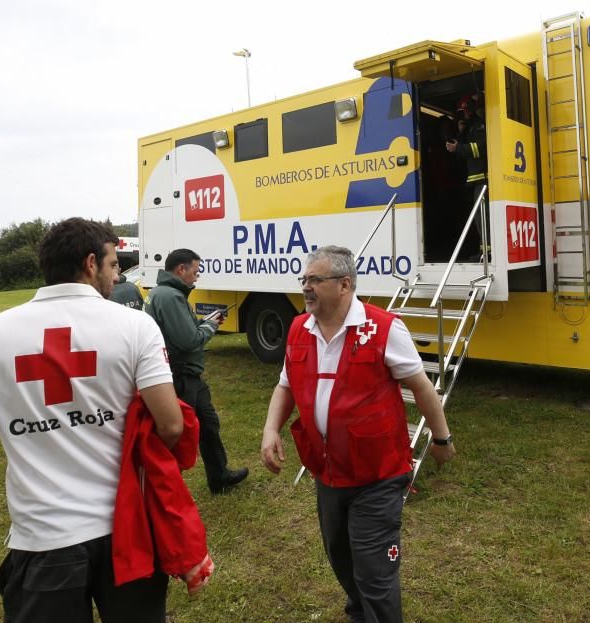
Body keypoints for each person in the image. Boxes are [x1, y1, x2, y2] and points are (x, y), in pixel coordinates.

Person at [0, 218, 185, 621]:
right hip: (128, 530)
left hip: (44, 541)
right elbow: (171, 425)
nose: (115, 274)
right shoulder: (135, 325)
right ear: (90, 263)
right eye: (111, 265)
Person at [261, 245, 456, 623]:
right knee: (341, 557)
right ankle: (359, 612)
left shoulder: (383, 328)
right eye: (304, 279)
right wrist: (271, 429)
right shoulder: (300, 328)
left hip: (377, 475)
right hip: (327, 471)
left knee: (374, 571)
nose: (306, 287)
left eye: (315, 280)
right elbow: (285, 386)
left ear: (344, 284)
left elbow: (422, 388)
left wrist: (442, 438)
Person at [144, 248, 249, 495]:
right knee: (178, 434)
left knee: (208, 424)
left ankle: (219, 476)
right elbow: (188, 342)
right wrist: (210, 326)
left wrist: (203, 322)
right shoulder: (170, 297)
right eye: (195, 271)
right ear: (181, 269)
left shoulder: (166, 293)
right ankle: (165, 490)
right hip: (179, 377)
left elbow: (182, 332)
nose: (197, 277)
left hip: (188, 376)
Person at [446, 92, 487, 259]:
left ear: (469, 109)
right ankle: (483, 251)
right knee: (478, 219)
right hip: (474, 180)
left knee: (483, 218)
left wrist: (459, 148)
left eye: (463, 111)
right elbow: (463, 152)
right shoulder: (470, 127)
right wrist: (461, 133)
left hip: (482, 179)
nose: (462, 115)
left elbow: (479, 149)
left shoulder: (479, 126)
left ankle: (487, 254)